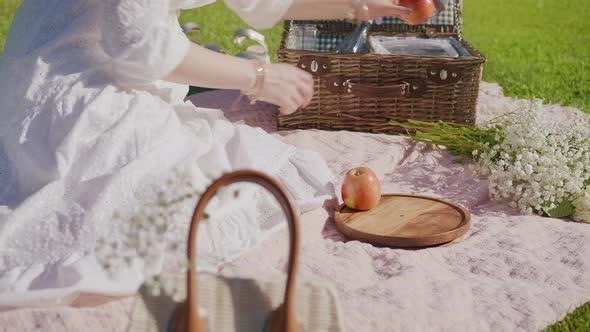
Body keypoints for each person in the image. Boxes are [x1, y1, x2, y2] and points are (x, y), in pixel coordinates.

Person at [0, 0, 410, 306]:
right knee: (171, 198)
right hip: (69, 86)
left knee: (255, 166)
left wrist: (359, 6)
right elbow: (139, 44)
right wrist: (258, 77)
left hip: (103, 68)